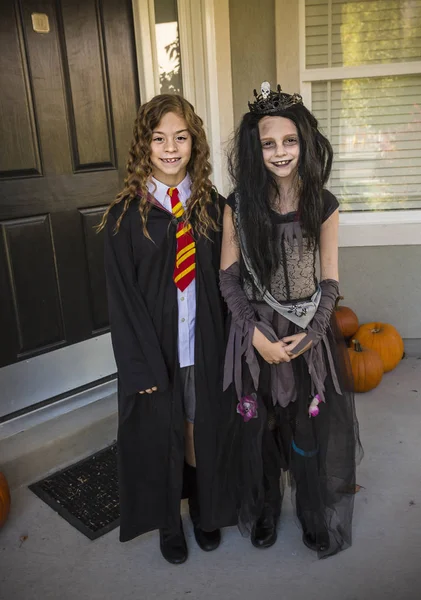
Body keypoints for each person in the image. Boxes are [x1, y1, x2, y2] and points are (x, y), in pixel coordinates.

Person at [219, 82, 363, 558]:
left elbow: (330, 282)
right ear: (254, 148)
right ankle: (264, 506)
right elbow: (229, 281)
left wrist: (312, 335)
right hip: (255, 335)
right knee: (261, 427)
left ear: (304, 141)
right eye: (268, 143)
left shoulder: (323, 203)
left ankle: (309, 508)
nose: (280, 152)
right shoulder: (238, 206)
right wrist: (256, 336)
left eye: (289, 141)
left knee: (305, 427)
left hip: (307, 333)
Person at [99, 94, 234, 564]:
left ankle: (202, 508)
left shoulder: (214, 209)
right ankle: (168, 521)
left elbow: (228, 284)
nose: (171, 148)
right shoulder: (124, 217)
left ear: (194, 143)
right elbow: (122, 300)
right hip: (155, 350)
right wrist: (138, 365)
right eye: (160, 139)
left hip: (202, 345)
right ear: (145, 146)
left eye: (181, 137)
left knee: (198, 426)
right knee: (161, 435)